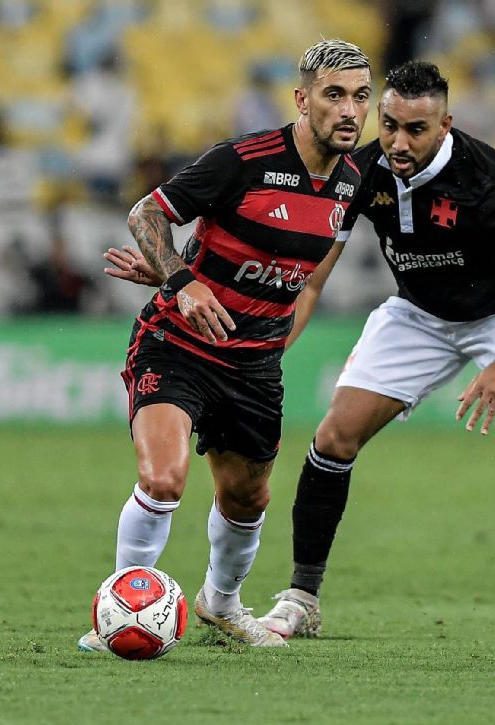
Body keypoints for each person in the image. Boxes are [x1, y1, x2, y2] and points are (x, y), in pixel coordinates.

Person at [106, 61, 495, 641]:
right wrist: (207, 300)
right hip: (418, 315)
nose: (397, 142)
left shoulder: (491, 181)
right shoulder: (361, 168)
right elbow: (309, 278)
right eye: (388, 125)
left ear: (446, 125)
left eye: (416, 129)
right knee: (334, 439)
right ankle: (302, 597)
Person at [79, 39, 372, 652]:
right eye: (335, 95)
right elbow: (146, 216)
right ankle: (116, 611)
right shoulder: (243, 159)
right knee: (163, 480)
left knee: (247, 495)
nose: (350, 110)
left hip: (254, 363)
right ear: (302, 99)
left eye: (361, 97)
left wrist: (268, 347)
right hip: (178, 345)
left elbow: (306, 282)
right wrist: (181, 284)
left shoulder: (351, 183)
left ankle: (221, 603)